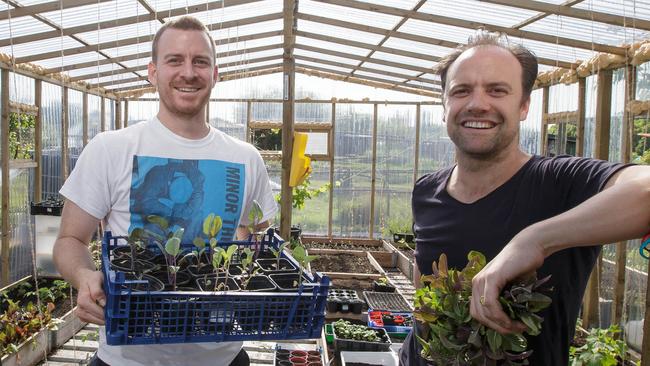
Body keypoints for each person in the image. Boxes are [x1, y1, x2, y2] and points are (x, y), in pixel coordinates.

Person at [400, 30, 650, 365]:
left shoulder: (562, 183)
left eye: (497, 90)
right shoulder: (427, 190)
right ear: (445, 106)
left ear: (523, 106)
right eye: (461, 91)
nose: (477, 103)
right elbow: (423, 288)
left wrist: (535, 241)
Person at [53, 16, 278, 366]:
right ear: (152, 72)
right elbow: (69, 240)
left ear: (215, 74)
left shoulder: (246, 158)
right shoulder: (111, 149)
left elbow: (252, 240)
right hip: (126, 357)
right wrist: (84, 276)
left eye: (200, 61)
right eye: (174, 60)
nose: (188, 72)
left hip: (222, 355)